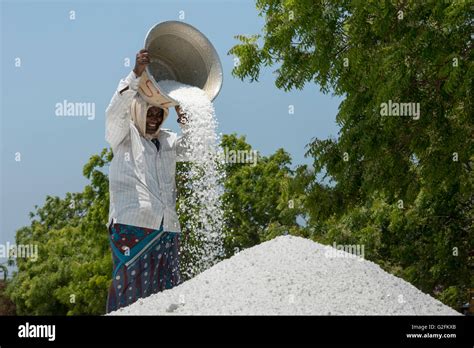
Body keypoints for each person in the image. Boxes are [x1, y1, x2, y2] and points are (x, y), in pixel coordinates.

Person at [104, 49, 189, 313]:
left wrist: (187, 120)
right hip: (133, 228)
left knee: (167, 298)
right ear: (139, 111)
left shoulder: (169, 140)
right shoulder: (124, 136)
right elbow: (115, 111)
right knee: (130, 294)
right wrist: (136, 74)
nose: (153, 120)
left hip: (167, 230)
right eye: (149, 113)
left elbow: (198, 148)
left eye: (158, 115)